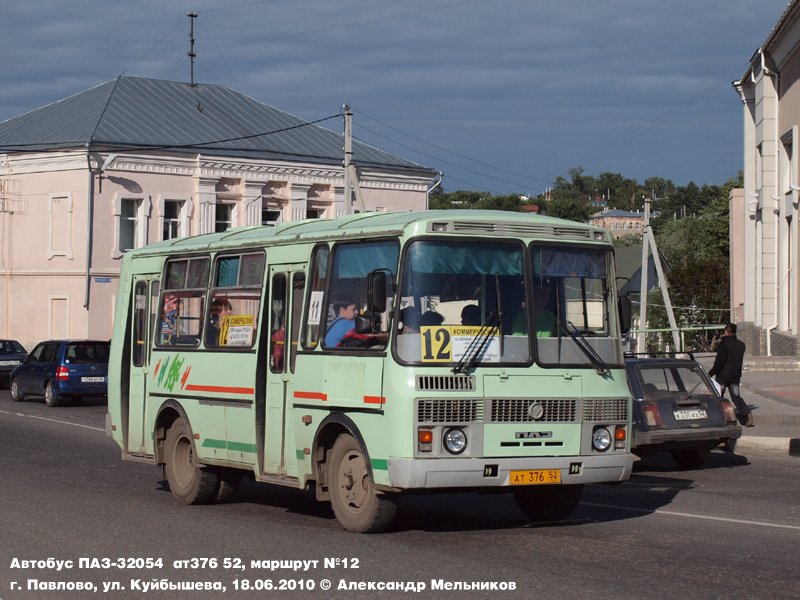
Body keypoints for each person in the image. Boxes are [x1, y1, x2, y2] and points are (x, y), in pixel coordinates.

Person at [709, 323, 752, 427]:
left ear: (726, 332)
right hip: (735, 376)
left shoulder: (724, 345)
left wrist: (710, 374)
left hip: (723, 376)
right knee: (736, 397)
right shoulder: (741, 345)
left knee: (718, 397)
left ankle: (719, 417)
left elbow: (719, 362)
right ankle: (747, 413)